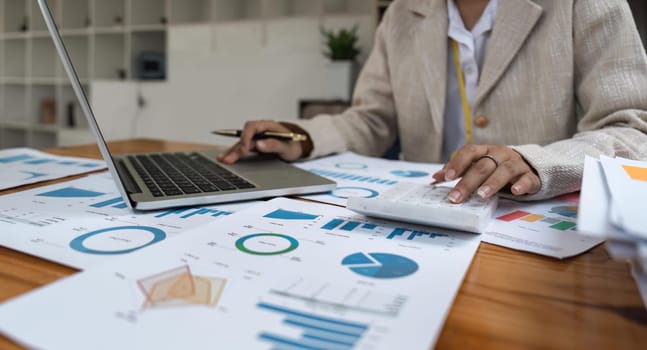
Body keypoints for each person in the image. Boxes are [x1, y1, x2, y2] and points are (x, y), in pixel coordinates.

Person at [219, 0, 647, 203]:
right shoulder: (403, 13)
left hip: (532, 221)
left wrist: (538, 162)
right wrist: (301, 137)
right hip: (427, 213)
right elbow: (372, 120)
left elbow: (631, 125)